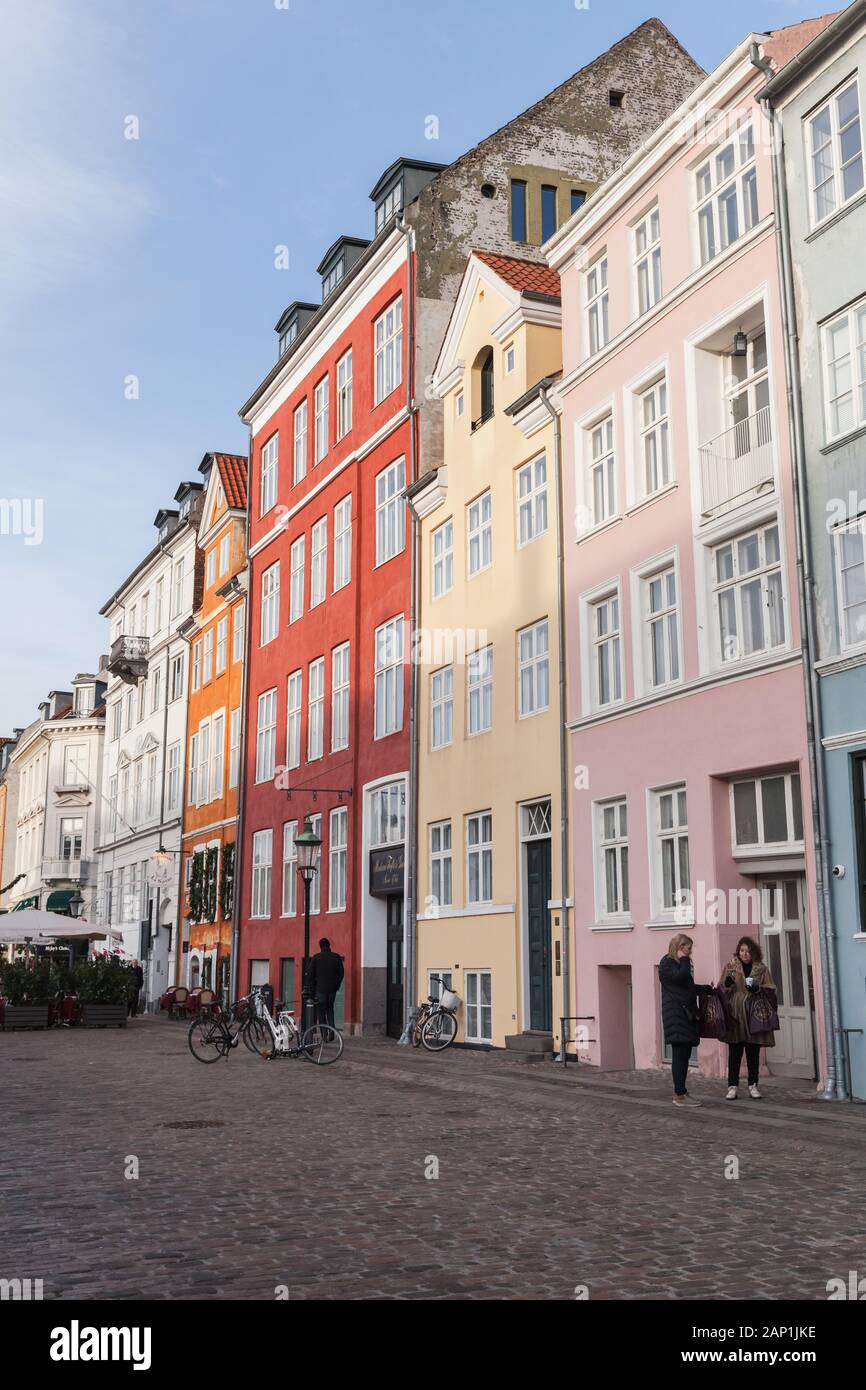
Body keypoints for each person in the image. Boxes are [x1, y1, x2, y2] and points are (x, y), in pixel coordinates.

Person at [659, 934, 714, 1108]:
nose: (690, 952)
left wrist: (706, 989)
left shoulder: (677, 964)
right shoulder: (667, 963)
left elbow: (686, 987)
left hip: (684, 1015)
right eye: (688, 948)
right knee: (679, 1056)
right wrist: (683, 960)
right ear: (679, 947)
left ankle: (681, 1091)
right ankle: (679, 1094)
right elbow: (680, 978)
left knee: (683, 1055)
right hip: (676, 1015)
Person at [719, 936, 777, 1100]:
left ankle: (753, 1085)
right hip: (736, 1015)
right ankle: (732, 1087)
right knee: (735, 1053)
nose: (744, 954)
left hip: (753, 1015)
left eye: (748, 951)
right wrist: (727, 985)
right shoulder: (730, 966)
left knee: (753, 1052)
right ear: (738, 951)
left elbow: (771, 988)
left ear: (753, 953)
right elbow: (721, 989)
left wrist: (758, 988)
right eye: (742, 950)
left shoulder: (761, 969)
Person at [308, 938, 344, 1030]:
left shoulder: (316, 958)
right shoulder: (336, 957)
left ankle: (324, 1034)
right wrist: (337, 985)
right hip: (332, 989)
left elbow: (310, 975)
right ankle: (332, 1031)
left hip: (320, 989)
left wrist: (313, 988)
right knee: (330, 1010)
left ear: (320, 946)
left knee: (321, 1012)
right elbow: (341, 973)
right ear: (329, 945)